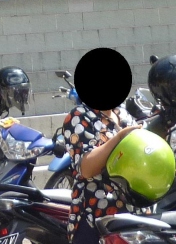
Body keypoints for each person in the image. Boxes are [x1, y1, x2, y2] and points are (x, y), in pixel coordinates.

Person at [62, 97, 146, 244]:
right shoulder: (79, 116)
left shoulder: (123, 114)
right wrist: (119, 138)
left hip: (131, 215)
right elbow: (86, 168)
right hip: (94, 217)